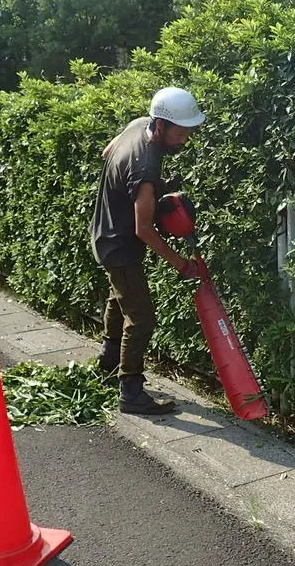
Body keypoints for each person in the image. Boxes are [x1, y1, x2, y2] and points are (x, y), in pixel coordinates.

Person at [89, 87, 208, 415]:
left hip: (106, 232)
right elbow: (144, 229)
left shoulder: (136, 125)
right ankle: (131, 391)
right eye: (180, 133)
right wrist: (181, 263)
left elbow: (107, 151)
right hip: (120, 244)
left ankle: (107, 363)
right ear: (160, 126)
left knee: (120, 300)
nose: (184, 140)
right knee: (141, 317)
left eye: (188, 133)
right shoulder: (145, 171)